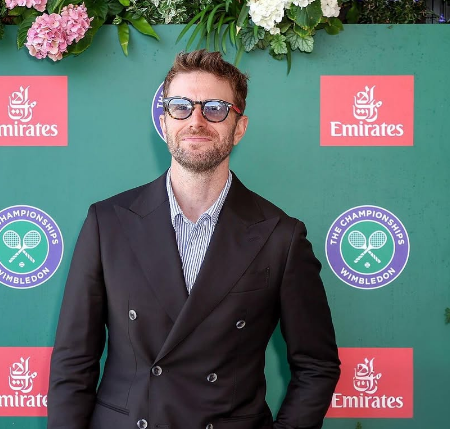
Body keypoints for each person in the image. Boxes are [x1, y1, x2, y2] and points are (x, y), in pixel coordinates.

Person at [48, 49, 340, 429]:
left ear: (239, 127)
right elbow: (73, 362)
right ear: (165, 121)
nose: (196, 120)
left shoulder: (280, 237)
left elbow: (316, 365)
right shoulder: (107, 223)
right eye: (181, 107)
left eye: (215, 108)